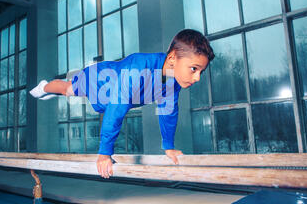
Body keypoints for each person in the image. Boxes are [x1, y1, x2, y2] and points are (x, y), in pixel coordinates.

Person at [30, 29, 215, 178]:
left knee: (73, 92)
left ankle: (50, 89)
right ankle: (44, 87)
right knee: (67, 90)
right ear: (173, 58)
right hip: (99, 81)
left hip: (114, 97)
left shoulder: (173, 82)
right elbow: (116, 110)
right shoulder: (138, 69)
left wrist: (168, 146)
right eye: (193, 69)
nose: (197, 77)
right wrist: (104, 153)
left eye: (201, 71)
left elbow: (168, 113)